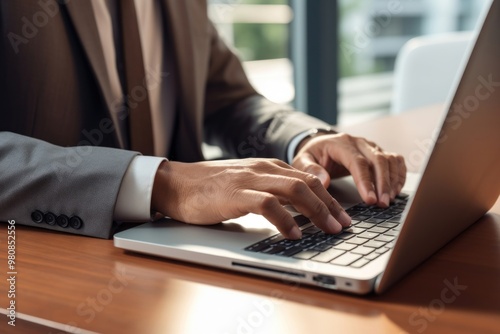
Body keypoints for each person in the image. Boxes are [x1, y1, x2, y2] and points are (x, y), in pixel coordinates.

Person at [0, 0, 406, 240]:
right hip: (46, 263)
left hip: (184, 262)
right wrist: (163, 183)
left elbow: (226, 98)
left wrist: (303, 139)